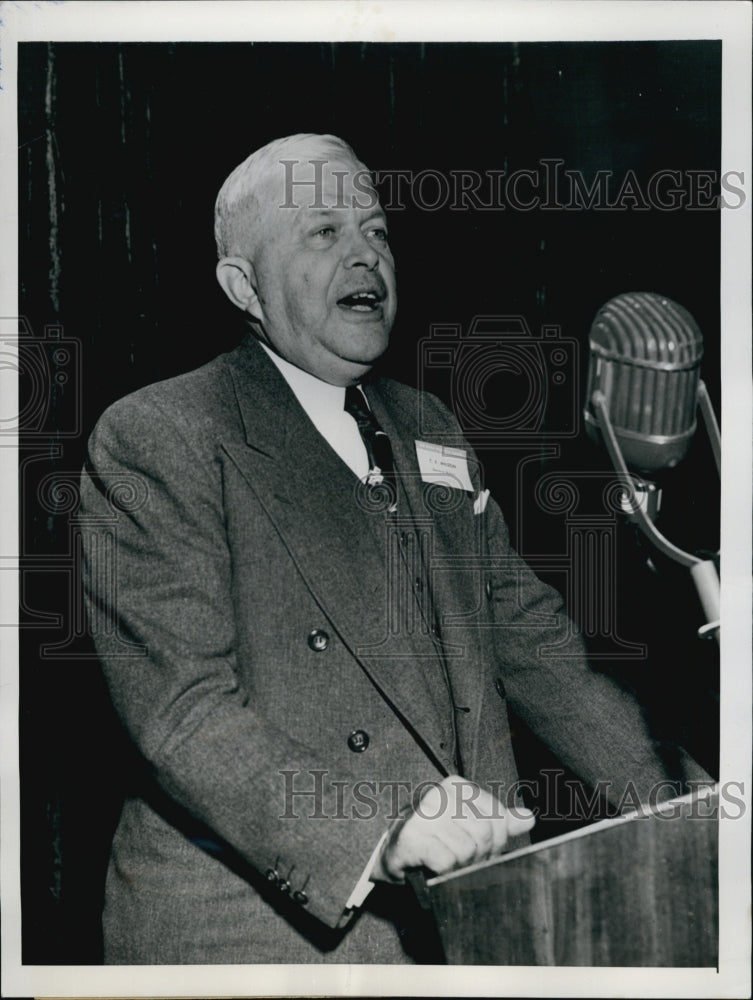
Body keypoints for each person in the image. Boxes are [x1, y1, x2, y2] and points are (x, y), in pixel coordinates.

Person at [79, 133, 710, 964]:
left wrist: (685, 803)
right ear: (244, 286)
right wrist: (377, 834)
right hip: (265, 939)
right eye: (322, 232)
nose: (363, 257)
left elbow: (534, 647)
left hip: (470, 913)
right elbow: (182, 713)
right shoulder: (159, 435)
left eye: (376, 232)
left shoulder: (428, 426)